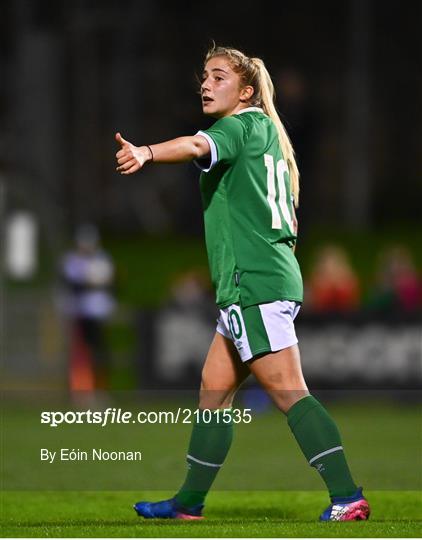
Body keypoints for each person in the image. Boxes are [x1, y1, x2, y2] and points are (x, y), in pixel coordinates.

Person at [115, 45, 370, 522]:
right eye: (204, 78)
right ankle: (189, 501)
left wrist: (146, 152)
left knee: (291, 393)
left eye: (217, 77)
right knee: (214, 390)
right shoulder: (266, 132)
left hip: (253, 285)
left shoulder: (235, 127)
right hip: (253, 283)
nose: (205, 85)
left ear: (246, 90)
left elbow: (195, 145)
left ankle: (347, 496)